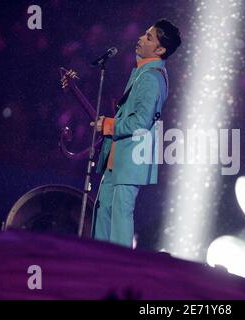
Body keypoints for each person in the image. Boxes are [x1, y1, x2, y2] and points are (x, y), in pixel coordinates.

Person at [91, 19, 181, 247]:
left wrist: (109, 125)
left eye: (149, 37)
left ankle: (118, 271)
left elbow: (141, 122)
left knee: (119, 217)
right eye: (144, 34)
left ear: (160, 50)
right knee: (104, 213)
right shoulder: (143, 74)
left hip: (130, 161)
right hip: (119, 158)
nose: (141, 38)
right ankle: (98, 264)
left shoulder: (152, 78)